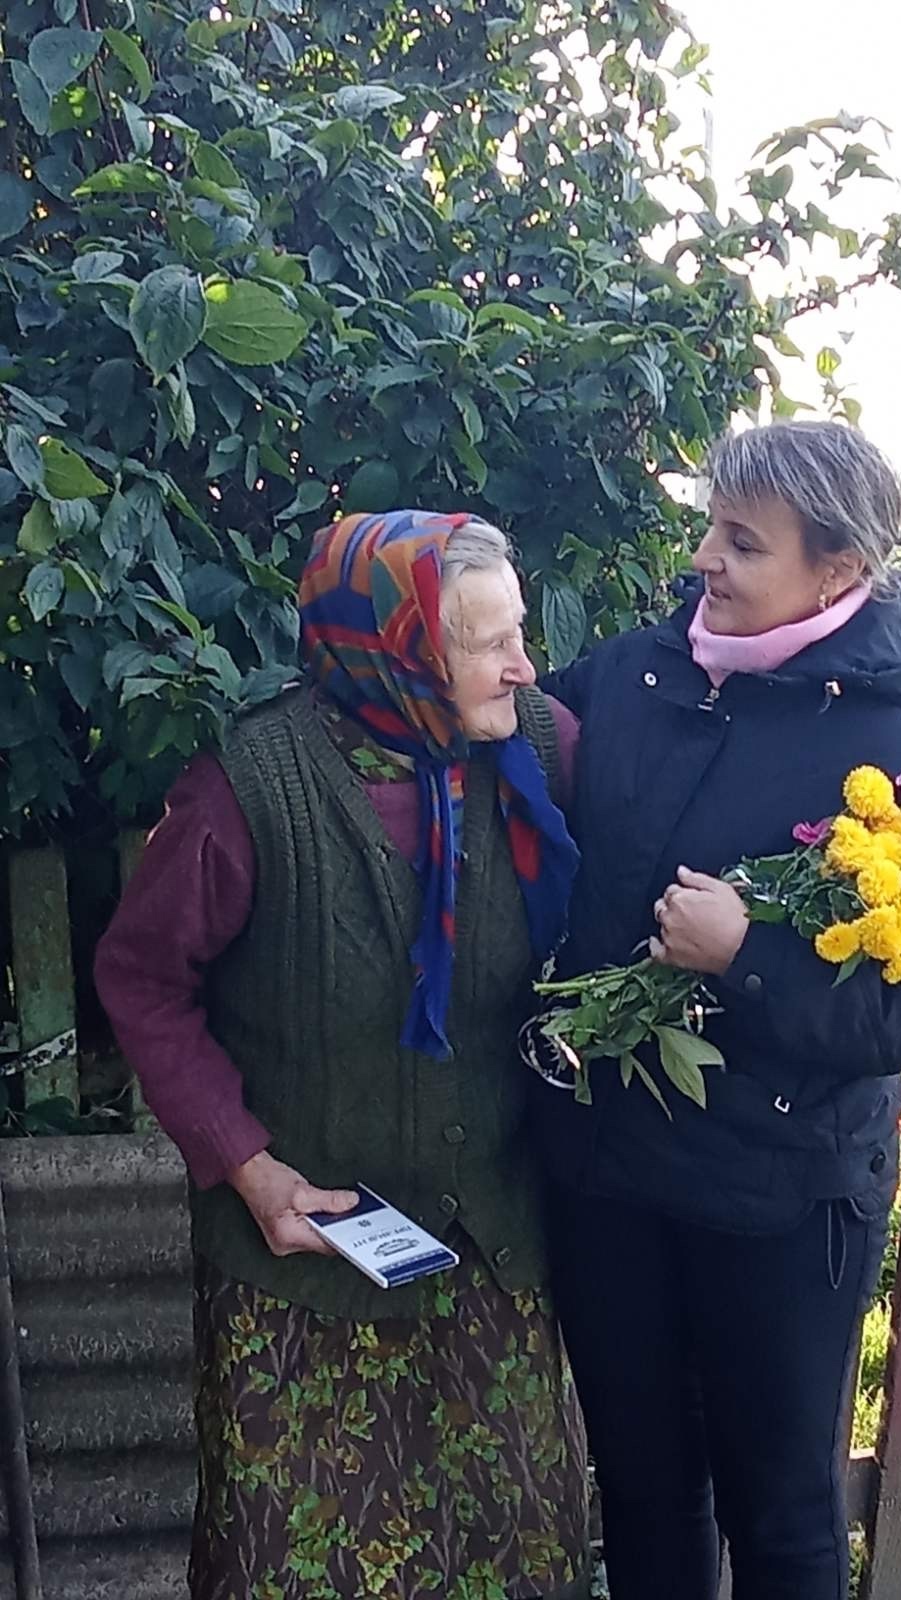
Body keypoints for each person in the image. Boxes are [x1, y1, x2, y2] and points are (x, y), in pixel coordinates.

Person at [96, 509, 591, 1600]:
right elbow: (142, 978)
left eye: (519, 633)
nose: (524, 665)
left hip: (494, 1257)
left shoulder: (544, 748)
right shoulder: (250, 788)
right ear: (398, 649)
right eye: (488, 644)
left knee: (512, 1556)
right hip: (302, 1270)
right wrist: (247, 1167)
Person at [533, 422, 901, 1600]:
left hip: (775, 1194)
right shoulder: (636, 672)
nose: (705, 561)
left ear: (837, 571)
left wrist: (748, 954)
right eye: (711, 529)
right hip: (609, 1170)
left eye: (742, 541)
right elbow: (506, 740)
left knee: (777, 1514)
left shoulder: (885, 748)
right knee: (642, 1491)